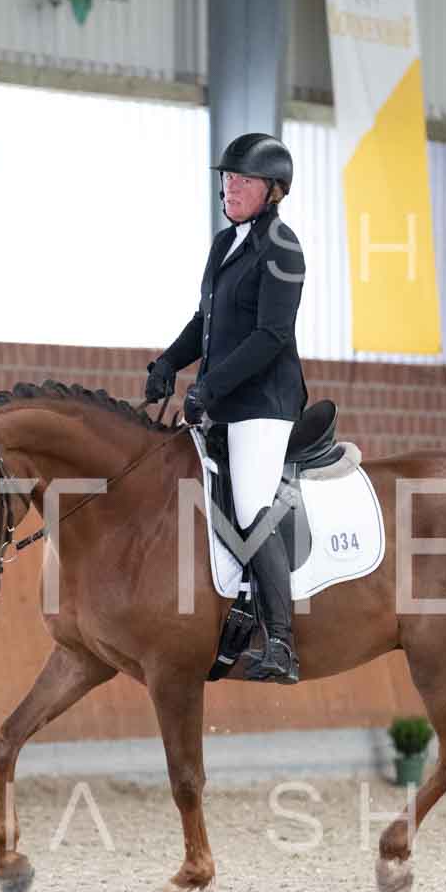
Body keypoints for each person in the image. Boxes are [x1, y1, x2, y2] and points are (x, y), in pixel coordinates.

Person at [144, 132, 307, 684]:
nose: (231, 188)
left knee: (251, 504)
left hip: (263, 404)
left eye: (243, 181)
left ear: (273, 190)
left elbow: (271, 335)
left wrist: (208, 388)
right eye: (227, 178)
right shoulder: (223, 245)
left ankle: (281, 641)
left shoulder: (282, 248)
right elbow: (205, 322)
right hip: (223, 399)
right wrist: (168, 363)